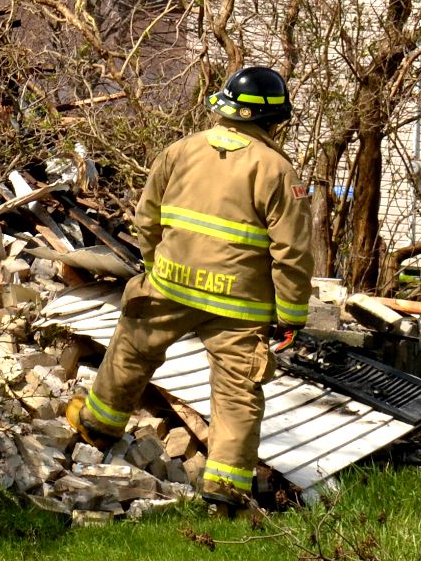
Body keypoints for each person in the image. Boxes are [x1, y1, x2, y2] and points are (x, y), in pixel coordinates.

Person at [68, 66, 312, 512]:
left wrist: (154, 264)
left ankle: (97, 426)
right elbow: (292, 251)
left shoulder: (180, 151)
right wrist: (292, 314)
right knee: (239, 391)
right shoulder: (277, 170)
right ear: (273, 119)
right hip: (240, 305)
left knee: (132, 349)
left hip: (173, 284)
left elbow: (146, 217)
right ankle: (225, 491)